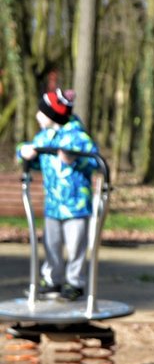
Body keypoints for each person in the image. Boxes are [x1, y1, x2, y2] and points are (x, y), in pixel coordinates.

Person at [16, 88, 98, 301]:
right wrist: (24, 152)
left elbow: (95, 161)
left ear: (53, 115)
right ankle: (53, 279)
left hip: (76, 205)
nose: (37, 115)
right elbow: (30, 156)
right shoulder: (43, 138)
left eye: (41, 112)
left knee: (75, 245)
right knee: (51, 244)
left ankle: (75, 282)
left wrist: (75, 159)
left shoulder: (77, 137)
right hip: (53, 204)